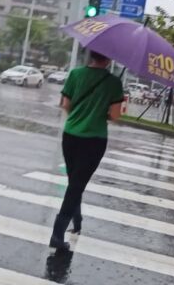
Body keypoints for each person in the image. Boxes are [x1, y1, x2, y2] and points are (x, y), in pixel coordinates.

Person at [49, 51, 124, 251]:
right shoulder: (114, 83)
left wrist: (80, 116)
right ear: (108, 58)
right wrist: (100, 113)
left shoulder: (75, 74)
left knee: (74, 181)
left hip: (71, 134)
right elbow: (115, 116)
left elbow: (65, 104)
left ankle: (77, 219)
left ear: (91, 54)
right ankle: (57, 234)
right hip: (95, 139)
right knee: (77, 184)